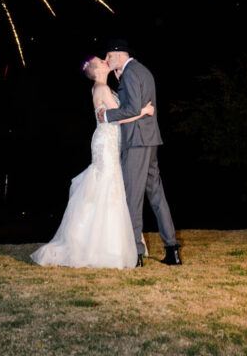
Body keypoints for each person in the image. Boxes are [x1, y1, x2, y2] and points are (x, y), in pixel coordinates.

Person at [31, 55, 155, 269]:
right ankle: (107, 246)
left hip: (107, 139)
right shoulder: (102, 88)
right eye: (102, 62)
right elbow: (119, 117)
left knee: (107, 185)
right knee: (108, 185)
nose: (106, 62)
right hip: (106, 141)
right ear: (97, 71)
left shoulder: (101, 87)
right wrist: (143, 112)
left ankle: (100, 240)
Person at [99, 40, 181, 266]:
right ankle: (172, 249)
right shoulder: (141, 70)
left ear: (119, 54)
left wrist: (106, 116)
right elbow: (137, 103)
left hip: (137, 141)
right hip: (149, 139)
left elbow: (134, 109)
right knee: (156, 195)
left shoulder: (131, 73)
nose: (107, 61)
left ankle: (135, 255)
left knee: (132, 197)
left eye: (108, 56)